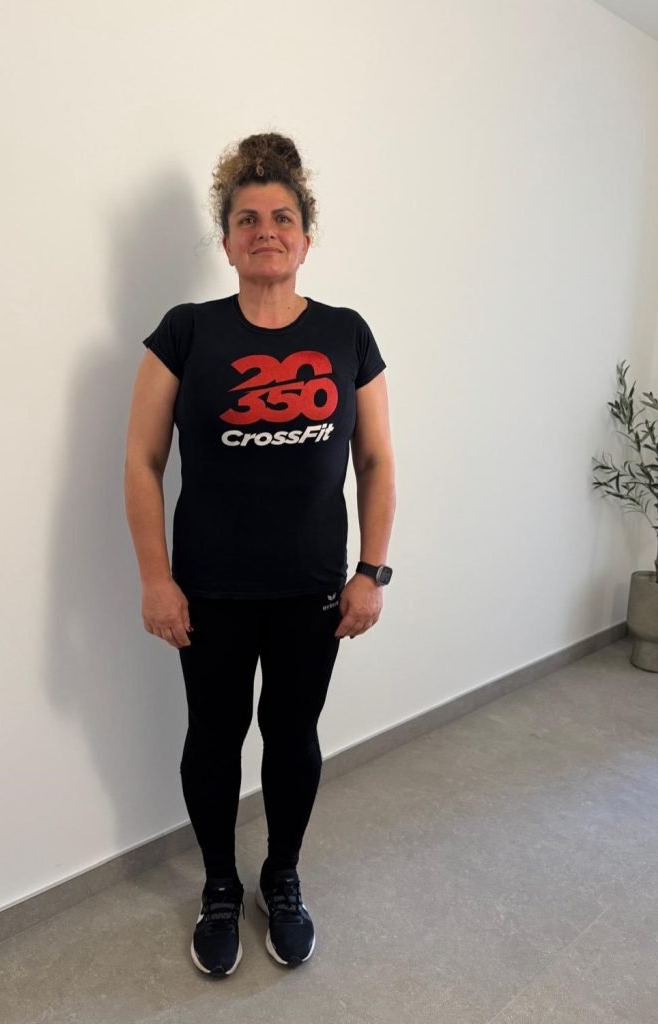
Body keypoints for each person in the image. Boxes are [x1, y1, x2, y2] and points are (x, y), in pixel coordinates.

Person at [124, 131, 396, 977]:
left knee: (291, 733)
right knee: (214, 736)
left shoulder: (346, 333)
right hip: (209, 587)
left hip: (312, 587)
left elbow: (377, 461)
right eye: (247, 218)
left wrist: (370, 571)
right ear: (227, 241)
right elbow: (141, 460)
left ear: (305, 238)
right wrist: (156, 579)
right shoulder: (187, 332)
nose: (265, 230)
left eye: (281, 217)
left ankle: (281, 877)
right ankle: (218, 884)